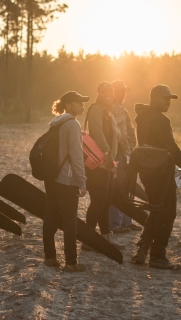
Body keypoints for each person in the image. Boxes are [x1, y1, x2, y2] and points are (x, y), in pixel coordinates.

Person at [133, 84, 181, 269]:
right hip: (160, 172)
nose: (168, 102)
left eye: (170, 98)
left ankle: (142, 249)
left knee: (157, 209)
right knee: (168, 213)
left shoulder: (142, 117)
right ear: (153, 98)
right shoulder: (161, 120)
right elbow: (171, 147)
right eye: (165, 98)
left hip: (146, 171)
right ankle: (157, 256)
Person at [43, 91, 88, 272]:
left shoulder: (56, 123)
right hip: (66, 179)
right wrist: (82, 181)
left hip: (52, 176)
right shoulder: (72, 124)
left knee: (50, 216)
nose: (82, 105)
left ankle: (50, 257)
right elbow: (76, 156)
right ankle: (71, 262)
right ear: (68, 105)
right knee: (70, 221)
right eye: (78, 102)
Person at [83, 82, 125, 250]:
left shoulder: (108, 112)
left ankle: (106, 237)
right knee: (98, 201)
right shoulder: (96, 109)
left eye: (111, 92)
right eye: (105, 92)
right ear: (99, 93)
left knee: (105, 201)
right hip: (98, 163)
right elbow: (97, 132)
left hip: (107, 163)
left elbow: (115, 135)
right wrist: (107, 153)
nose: (109, 95)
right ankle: (88, 240)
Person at [109, 80, 143, 234]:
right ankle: (117, 225)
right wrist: (129, 154)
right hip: (122, 153)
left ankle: (126, 222)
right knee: (122, 187)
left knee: (126, 186)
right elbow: (122, 135)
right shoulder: (117, 110)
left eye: (124, 91)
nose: (123, 94)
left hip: (123, 152)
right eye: (120, 91)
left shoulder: (117, 109)